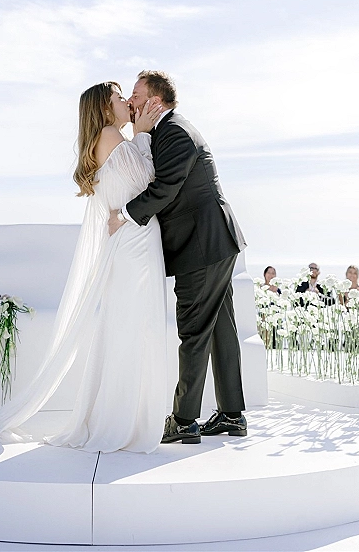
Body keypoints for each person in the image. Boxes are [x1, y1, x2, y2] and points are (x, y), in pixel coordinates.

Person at [0, 81, 167, 452]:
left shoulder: (113, 138)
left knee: (131, 327)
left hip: (133, 241)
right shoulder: (109, 136)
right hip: (134, 243)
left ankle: (129, 415)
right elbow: (147, 181)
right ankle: (125, 421)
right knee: (134, 328)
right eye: (119, 98)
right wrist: (144, 134)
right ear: (104, 108)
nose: (126, 102)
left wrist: (137, 135)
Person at [108, 70, 247, 444]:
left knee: (194, 330)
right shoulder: (163, 132)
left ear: (155, 100)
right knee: (219, 329)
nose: (132, 102)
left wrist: (122, 214)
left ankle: (184, 420)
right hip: (212, 244)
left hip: (202, 247)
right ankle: (232, 416)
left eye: (135, 95)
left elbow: (164, 189)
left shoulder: (175, 133)